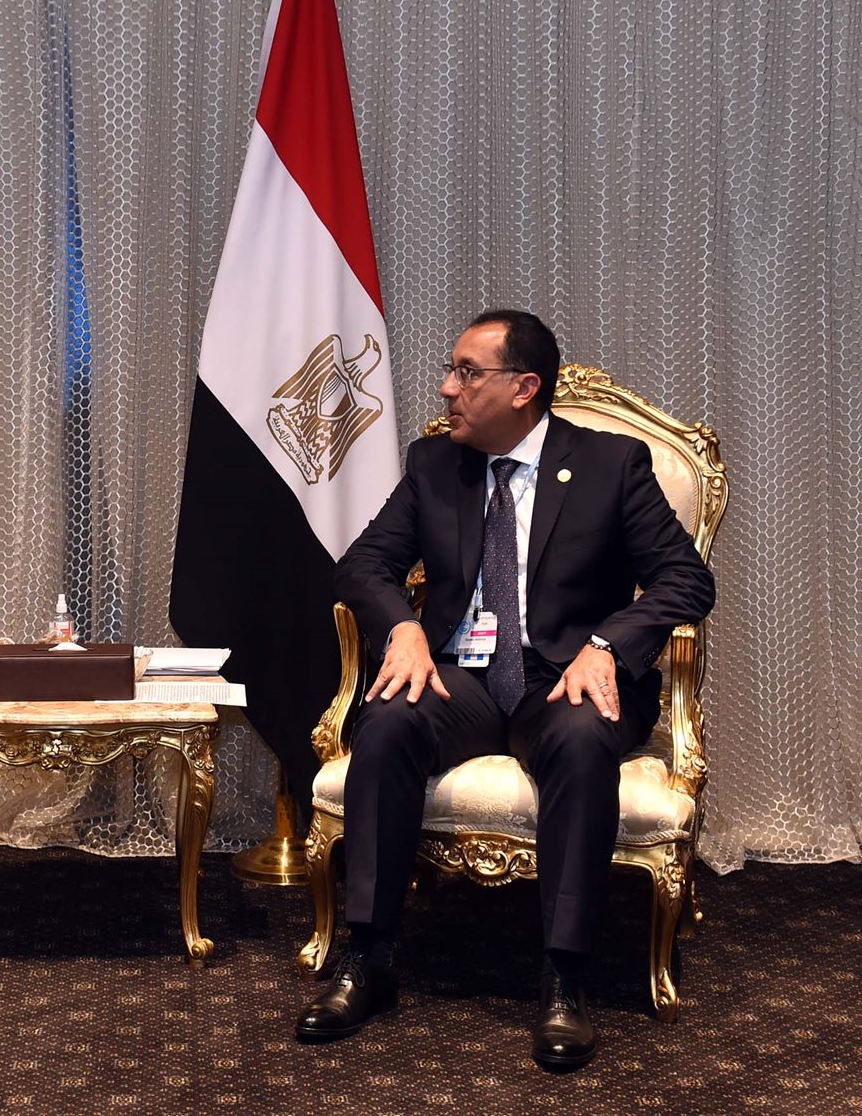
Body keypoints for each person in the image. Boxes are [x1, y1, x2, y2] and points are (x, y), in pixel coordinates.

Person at [295, 310, 714, 1070]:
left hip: (563, 677)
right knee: (385, 722)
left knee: (583, 740)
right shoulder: (435, 465)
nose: (447, 389)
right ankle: (370, 956)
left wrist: (606, 646)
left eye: (466, 373)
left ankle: (564, 975)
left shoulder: (611, 463)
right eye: (451, 371)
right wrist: (403, 627)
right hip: (462, 678)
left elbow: (686, 579)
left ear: (524, 388)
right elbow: (362, 566)